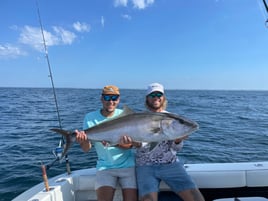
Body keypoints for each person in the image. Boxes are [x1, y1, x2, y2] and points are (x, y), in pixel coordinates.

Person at [133, 83, 205, 201]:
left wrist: (177, 141)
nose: (156, 97)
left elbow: (177, 149)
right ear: (147, 98)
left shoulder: (174, 118)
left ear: (163, 98)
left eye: (159, 94)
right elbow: (138, 145)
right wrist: (133, 143)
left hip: (170, 164)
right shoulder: (138, 118)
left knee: (197, 198)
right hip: (145, 165)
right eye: (152, 95)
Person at [75, 85, 138, 201]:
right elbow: (86, 149)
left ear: (118, 99)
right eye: (107, 98)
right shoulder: (90, 118)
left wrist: (123, 144)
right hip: (105, 168)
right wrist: (82, 140)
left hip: (128, 166)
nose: (111, 101)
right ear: (101, 99)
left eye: (114, 98)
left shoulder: (127, 116)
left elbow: (133, 145)